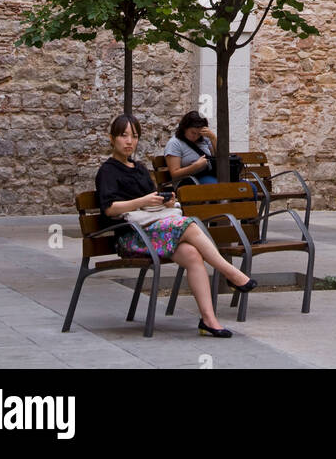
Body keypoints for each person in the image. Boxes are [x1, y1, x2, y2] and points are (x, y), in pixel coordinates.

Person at [95, 113, 256, 339]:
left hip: (153, 230)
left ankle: (208, 321)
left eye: (134, 136)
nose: (129, 141)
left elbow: (150, 201)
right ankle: (230, 273)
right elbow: (110, 209)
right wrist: (142, 201)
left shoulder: (139, 168)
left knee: (192, 253)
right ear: (112, 139)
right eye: (123, 136)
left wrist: (165, 200)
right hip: (130, 237)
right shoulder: (108, 171)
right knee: (189, 225)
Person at [164, 111, 218, 186]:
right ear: (185, 128)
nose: (196, 136)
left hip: (208, 175)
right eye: (193, 132)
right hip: (187, 181)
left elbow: (219, 157)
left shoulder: (205, 138)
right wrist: (195, 167)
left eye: (199, 134)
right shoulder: (174, 143)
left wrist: (213, 138)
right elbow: (174, 173)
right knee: (217, 187)